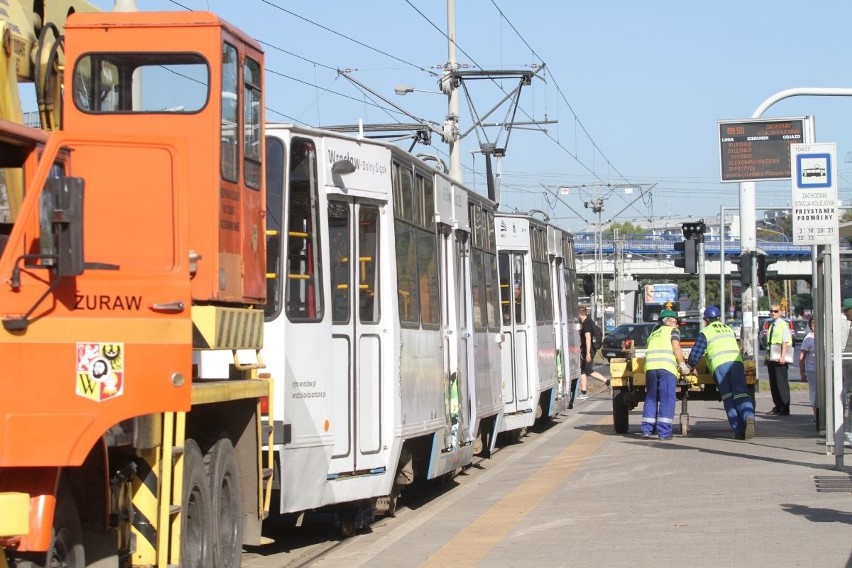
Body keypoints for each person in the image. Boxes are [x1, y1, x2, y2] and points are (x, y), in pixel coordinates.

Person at [687, 306, 756, 440]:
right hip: (736, 363)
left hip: (720, 366)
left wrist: (690, 365)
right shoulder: (729, 329)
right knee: (741, 393)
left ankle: (739, 430)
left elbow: (696, 353)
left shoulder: (706, 332)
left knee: (728, 398)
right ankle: (749, 416)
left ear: (706, 320)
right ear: (719, 317)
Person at [641, 309, 690, 440]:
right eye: (675, 322)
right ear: (668, 321)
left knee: (651, 398)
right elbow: (676, 347)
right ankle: (664, 432)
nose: (677, 325)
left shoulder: (654, 333)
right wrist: (682, 364)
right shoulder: (673, 331)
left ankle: (647, 429)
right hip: (666, 368)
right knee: (667, 399)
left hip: (650, 368)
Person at [765, 303, 793, 416]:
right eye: (771, 311)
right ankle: (777, 406)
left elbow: (785, 341)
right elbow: (769, 342)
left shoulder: (783, 324)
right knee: (774, 383)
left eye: (776, 311)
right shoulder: (772, 325)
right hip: (772, 356)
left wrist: (782, 356)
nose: (773, 313)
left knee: (781, 383)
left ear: (781, 312)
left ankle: (785, 407)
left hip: (780, 357)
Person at [577, 307, 611, 400]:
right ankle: (583, 392)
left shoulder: (587, 323)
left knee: (588, 370)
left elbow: (588, 338)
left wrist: (587, 353)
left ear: (580, 314)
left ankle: (607, 382)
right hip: (586, 350)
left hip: (588, 350)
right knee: (583, 370)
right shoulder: (587, 322)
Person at [798, 317, 817, 424]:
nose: (814, 325)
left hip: (825, 369)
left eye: (816, 322)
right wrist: (802, 372)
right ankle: (816, 415)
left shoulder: (826, 336)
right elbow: (802, 356)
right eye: (812, 323)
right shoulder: (808, 338)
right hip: (812, 370)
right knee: (814, 392)